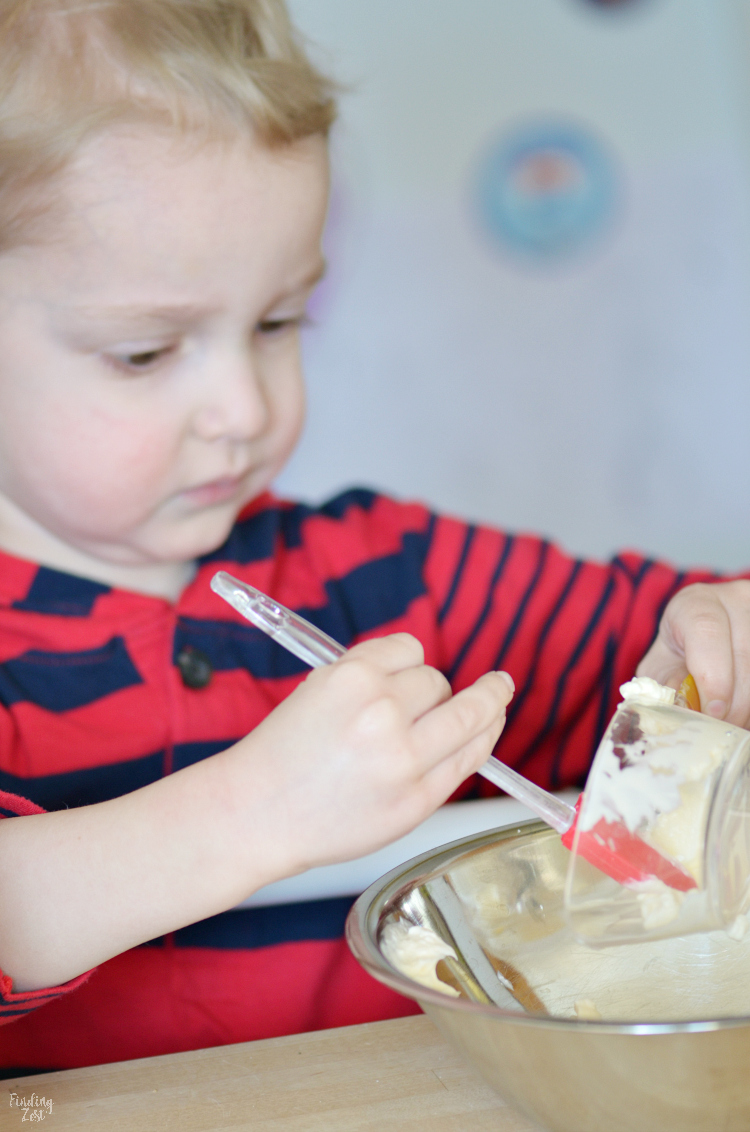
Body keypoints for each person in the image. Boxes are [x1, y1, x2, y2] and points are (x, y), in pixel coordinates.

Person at [0, 0, 747, 1073]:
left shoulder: (391, 574)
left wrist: (709, 645)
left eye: (275, 323)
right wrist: (255, 812)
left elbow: (670, 640)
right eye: (146, 353)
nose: (243, 410)